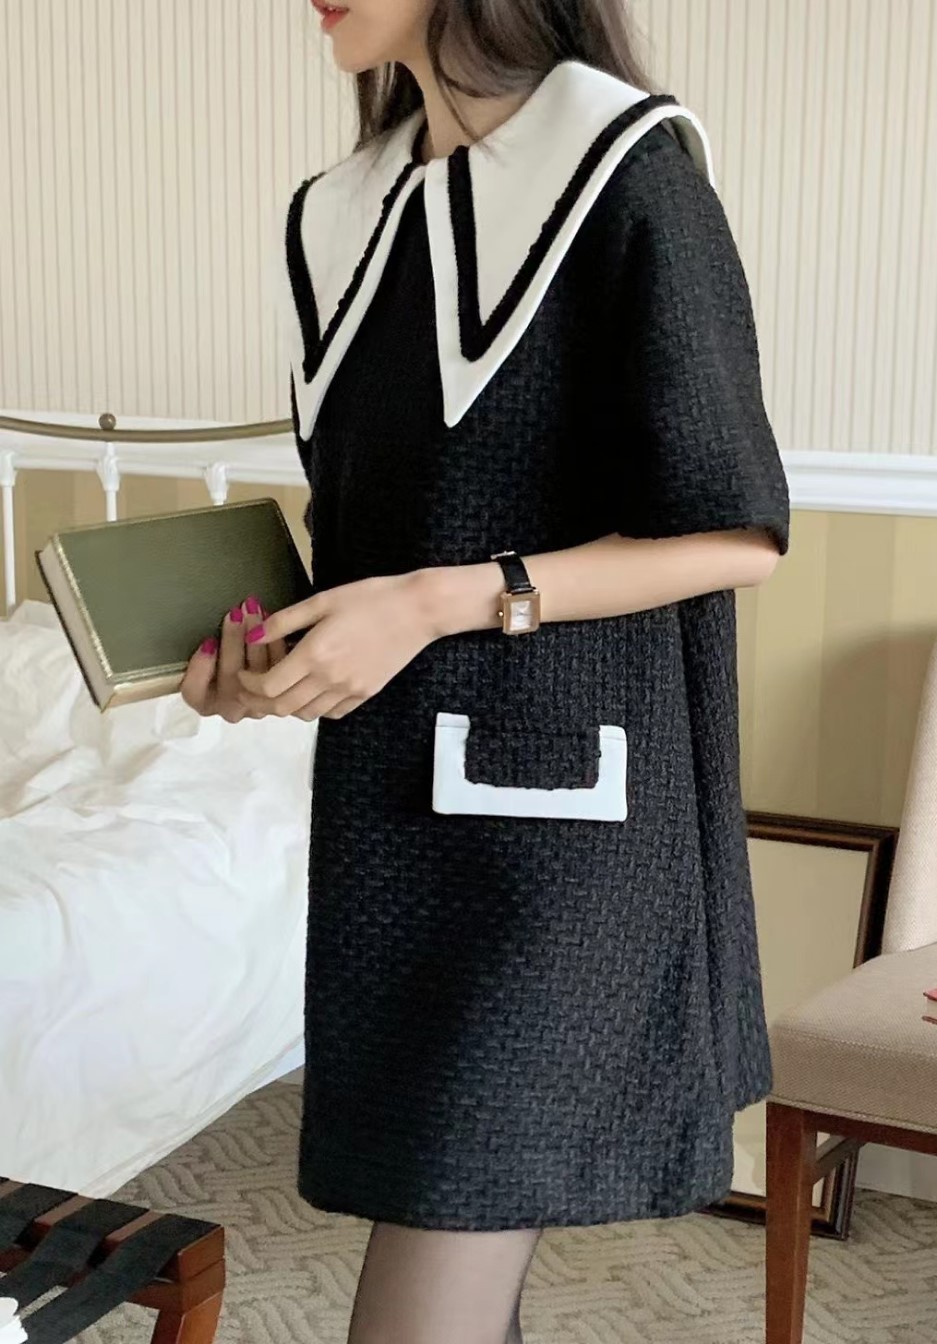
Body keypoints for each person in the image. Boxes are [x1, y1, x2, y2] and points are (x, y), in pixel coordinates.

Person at [180, 1, 790, 1341]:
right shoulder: (343, 216)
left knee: (434, 1262)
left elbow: (737, 533)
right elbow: (378, 541)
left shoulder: (626, 171)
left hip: (571, 839)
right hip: (396, 819)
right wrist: (271, 659)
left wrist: (436, 602)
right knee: (454, 1233)